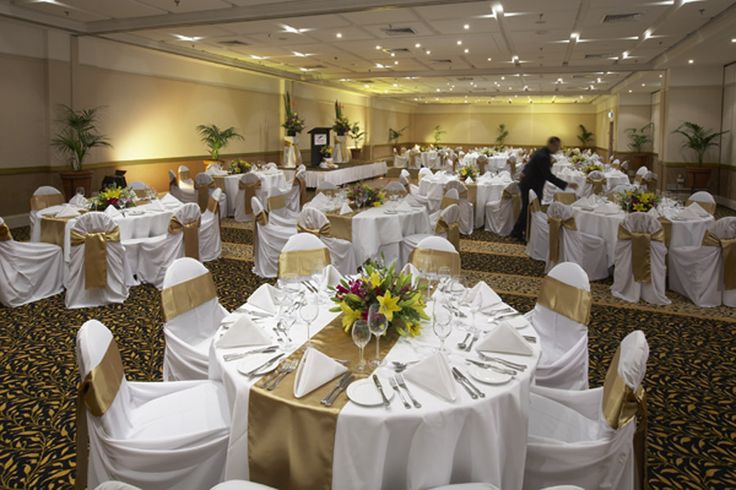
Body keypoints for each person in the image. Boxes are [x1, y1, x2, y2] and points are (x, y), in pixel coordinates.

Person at [510, 136, 577, 241]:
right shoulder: (543, 156)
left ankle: (522, 231)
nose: (558, 149)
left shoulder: (541, 152)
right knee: (528, 209)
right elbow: (548, 176)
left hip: (529, 183)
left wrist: (524, 172)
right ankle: (517, 232)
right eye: (557, 147)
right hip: (532, 184)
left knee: (527, 209)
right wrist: (566, 184)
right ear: (552, 145)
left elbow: (529, 164)